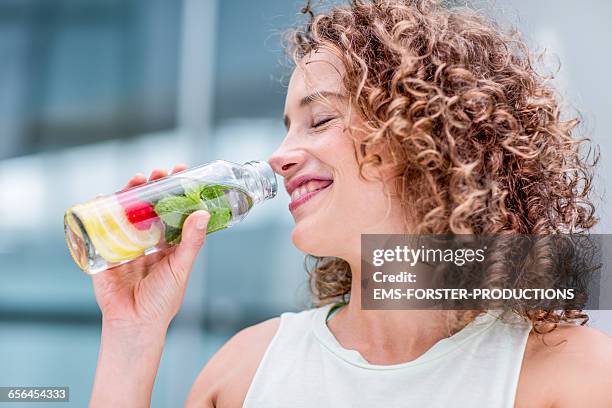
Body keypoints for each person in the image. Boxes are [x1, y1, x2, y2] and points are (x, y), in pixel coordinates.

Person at [89, 1, 612, 407]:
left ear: (423, 137)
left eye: (319, 121)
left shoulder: (569, 376)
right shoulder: (243, 374)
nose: (279, 157)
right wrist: (131, 334)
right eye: (287, 127)